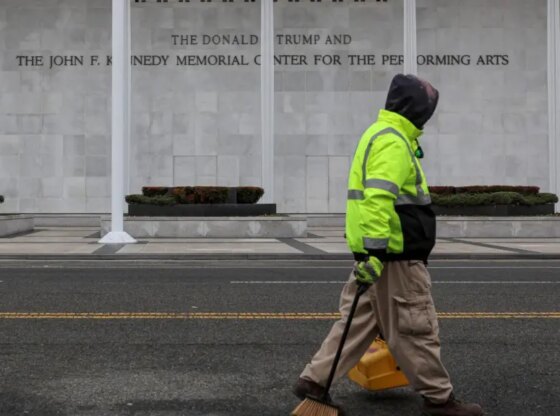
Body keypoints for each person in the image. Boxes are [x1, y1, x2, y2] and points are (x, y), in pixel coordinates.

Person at [292, 74, 483, 416]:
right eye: (427, 107)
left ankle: (315, 381)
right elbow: (379, 199)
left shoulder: (379, 134)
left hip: (379, 255)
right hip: (394, 257)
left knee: (357, 321)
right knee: (414, 326)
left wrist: (369, 253)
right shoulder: (394, 141)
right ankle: (439, 400)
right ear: (416, 108)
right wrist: (377, 252)